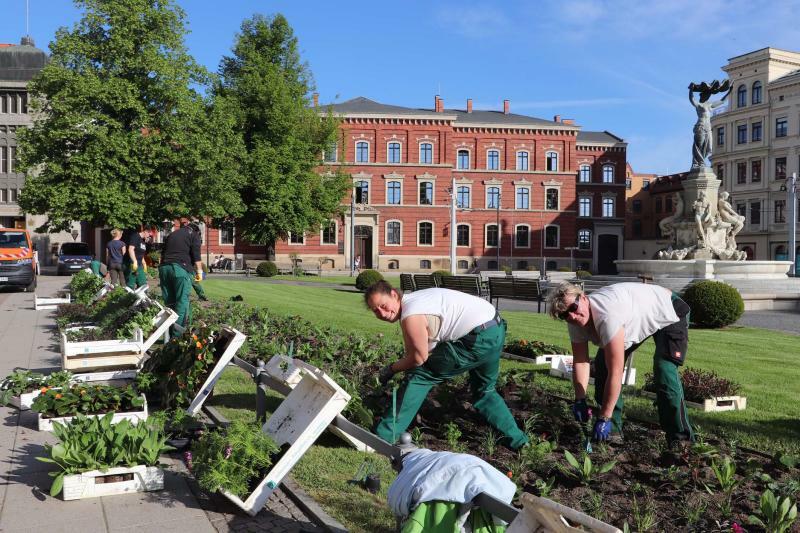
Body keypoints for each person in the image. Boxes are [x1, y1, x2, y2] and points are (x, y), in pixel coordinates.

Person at [365, 281, 528, 450]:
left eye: (383, 306)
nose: (382, 313)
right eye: (375, 310)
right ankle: (520, 442)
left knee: (420, 376)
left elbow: (418, 358)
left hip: (477, 340)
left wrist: (392, 369)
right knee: (485, 390)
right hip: (495, 329)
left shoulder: (411, 315)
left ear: (393, 294)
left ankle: (384, 436)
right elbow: (429, 346)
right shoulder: (418, 298)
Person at [547, 282, 694, 448]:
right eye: (564, 315)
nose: (572, 316)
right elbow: (581, 362)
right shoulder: (575, 322)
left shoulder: (607, 315)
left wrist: (604, 417)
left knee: (664, 370)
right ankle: (613, 432)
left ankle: (681, 439)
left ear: (584, 298)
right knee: (602, 365)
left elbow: (616, 372)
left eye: (573, 307)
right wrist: (579, 399)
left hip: (668, 308)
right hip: (634, 316)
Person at [159, 218, 203, 333]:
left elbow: (162, 254)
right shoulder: (194, 235)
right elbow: (196, 255)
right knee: (182, 303)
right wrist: (199, 271)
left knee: (169, 303)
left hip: (164, 269)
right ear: (197, 231)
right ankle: (176, 336)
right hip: (179, 269)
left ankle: (168, 333)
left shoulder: (172, 234)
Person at [188, 222, 208, 301]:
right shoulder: (195, 238)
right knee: (193, 281)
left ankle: (201, 295)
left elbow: (196, 255)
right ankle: (201, 295)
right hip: (189, 263)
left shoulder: (195, 238)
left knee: (193, 281)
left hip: (190, 263)